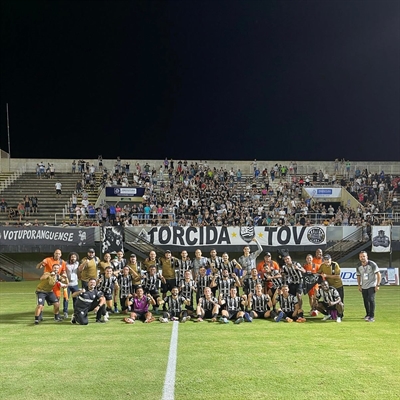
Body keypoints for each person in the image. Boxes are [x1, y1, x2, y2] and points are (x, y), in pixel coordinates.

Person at [356, 251, 381, 322]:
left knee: (371, 299)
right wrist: (359, 285)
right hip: (364, 286)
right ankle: (367, 314)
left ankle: (372, 316)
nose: (362, 258)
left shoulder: (372, 264)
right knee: (365, 300)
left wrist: (377, 285)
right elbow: (358, 276)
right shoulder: (358, 265)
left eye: (364, 256)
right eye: (361, 256)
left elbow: (378, 274)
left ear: (367, 257)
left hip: (372, 285)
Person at [63, 252, 80, 319]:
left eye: (74, 257)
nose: (73, 258)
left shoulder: (77, 263)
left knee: (76, 298)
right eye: (72, 257)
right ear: (70, 257)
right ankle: (65, 312)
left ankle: (75, 311)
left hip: (75, 284)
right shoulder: (65, 264)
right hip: (67, 284)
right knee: (66, 298)